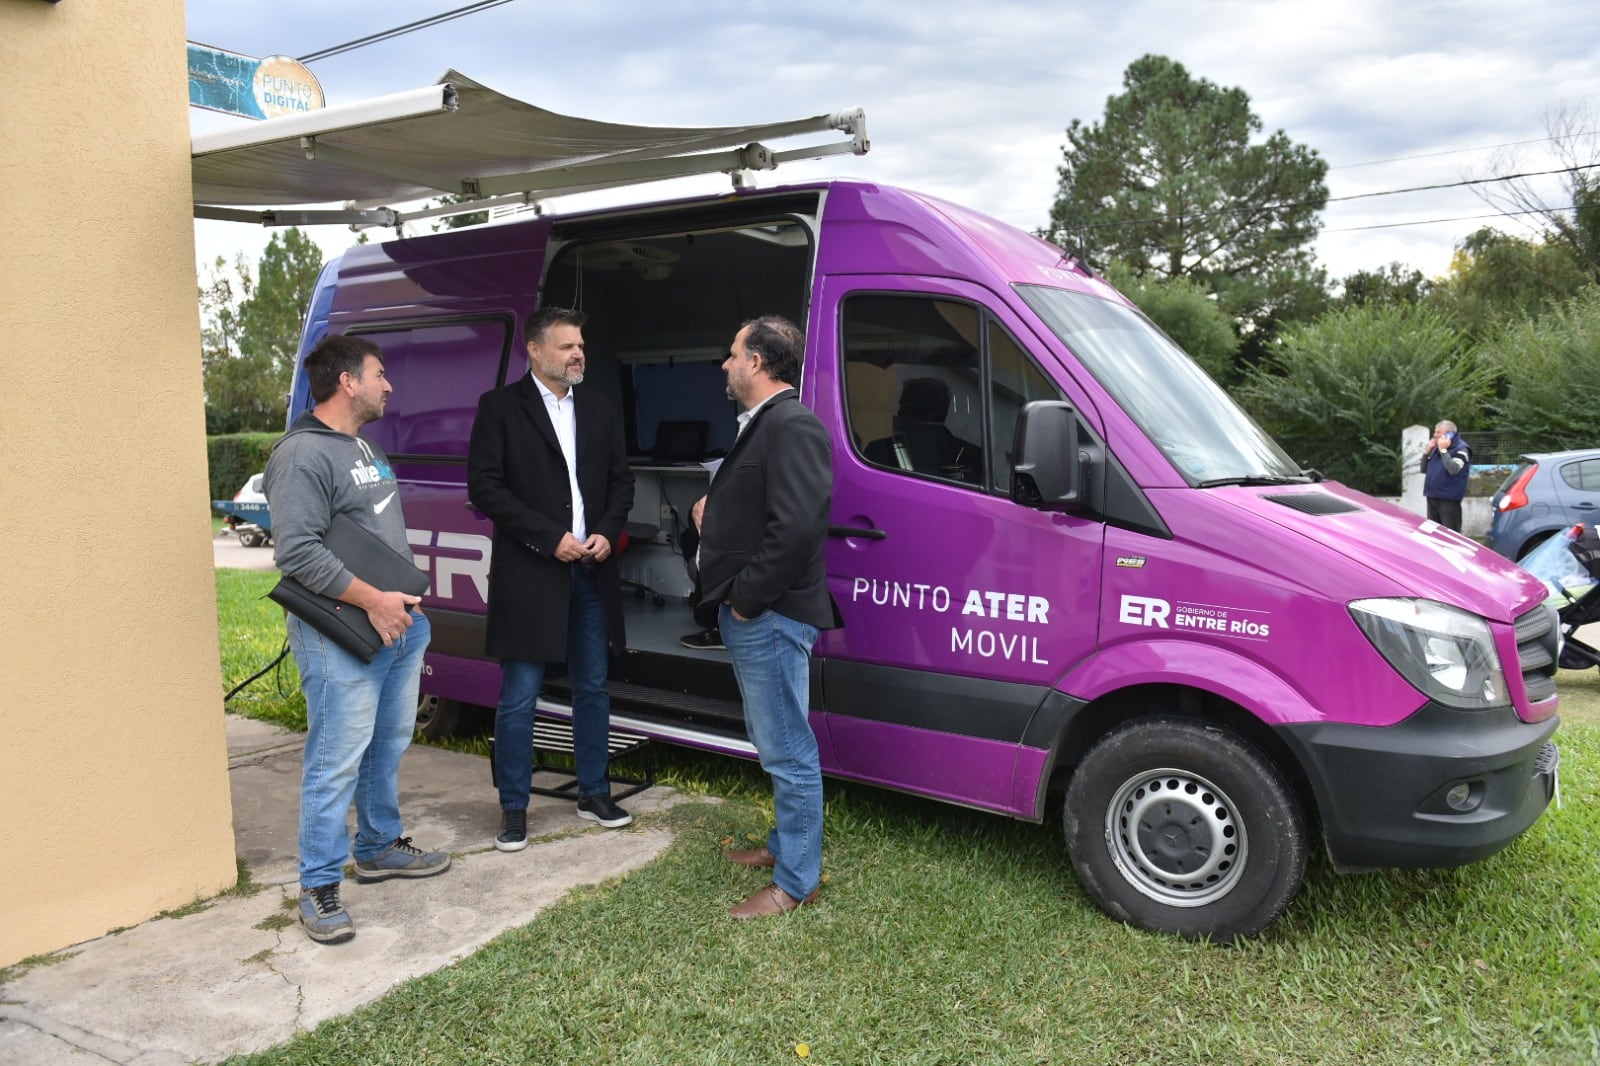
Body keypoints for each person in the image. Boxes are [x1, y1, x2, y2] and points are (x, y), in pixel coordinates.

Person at [265, 334, 451, 945]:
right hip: (341, 631)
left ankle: (375, 847)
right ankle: (318, 886)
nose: (388, 384)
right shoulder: (301, 457)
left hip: (398, 624)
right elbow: (295, 553)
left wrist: (397, 603)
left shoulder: (360, 447)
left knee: (386, 745)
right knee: (335, 757)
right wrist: (373, 600)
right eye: (379, 374)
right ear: (347, 382)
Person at [467, 306, 637, 852]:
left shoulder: (600, 409)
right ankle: (514, 808)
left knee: (593, 687)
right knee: (520, 696)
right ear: (535, 351)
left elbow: (621, 482)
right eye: (566, 346)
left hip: (591, 569)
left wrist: (609, 531)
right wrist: (548, 536)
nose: (578, 353)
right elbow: (487, 489)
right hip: (531, 572)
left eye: (580, 345)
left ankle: (594, 792)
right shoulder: (499, 409)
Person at [691, 315, 840, 919]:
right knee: (774, 740)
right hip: (757, 613)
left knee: (788, 751)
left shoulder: (792, 424)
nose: (725, 365)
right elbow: (763, 507)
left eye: (732, 354)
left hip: (769, 615)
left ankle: (796, 883)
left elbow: (799, 527)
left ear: (756, 362)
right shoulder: (762, 425)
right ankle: (783, 847)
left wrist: (747, 598)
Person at [864, 376, 983, 484]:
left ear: (908, 409)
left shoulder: (880, 451)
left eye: (902, 406)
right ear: (944, 411)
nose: (899, 413)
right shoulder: (974, 456)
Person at [1421, 420, 1472, 532]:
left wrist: (1443, 450)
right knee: (1433, 534)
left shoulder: (1461, 449)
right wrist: (1426, 452)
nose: (1435, 435)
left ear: (1450, 434)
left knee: (1450, 535)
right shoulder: (1436, 448)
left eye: (1438, 432)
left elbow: (1453, 469)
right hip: (1432, 497)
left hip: (1448, 500)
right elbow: (1423, 469)